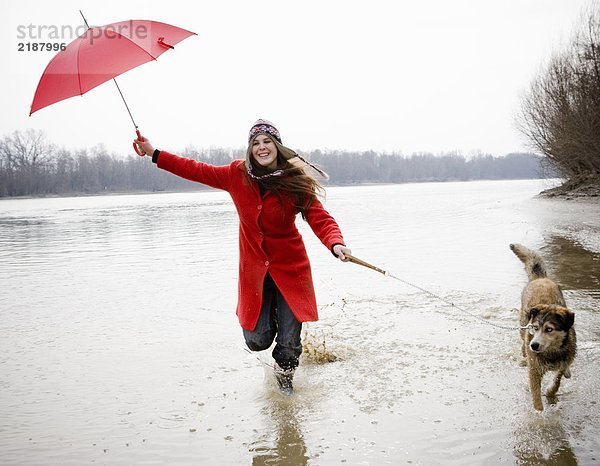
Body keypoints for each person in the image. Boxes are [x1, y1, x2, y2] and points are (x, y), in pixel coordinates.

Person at [134, 119, 351, 395]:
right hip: (255, 273)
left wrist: (336, 243)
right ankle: (277, 322)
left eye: (267, 141)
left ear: (277, 146)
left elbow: (319, 217)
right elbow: (195, 169)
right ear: (250, 149)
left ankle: (286, 385)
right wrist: (154, 154)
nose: (261, 147)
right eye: (255, 143)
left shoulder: (293, 180)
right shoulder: (237, 174)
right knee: (257, 340)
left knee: (287, 345)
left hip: (290, 270)